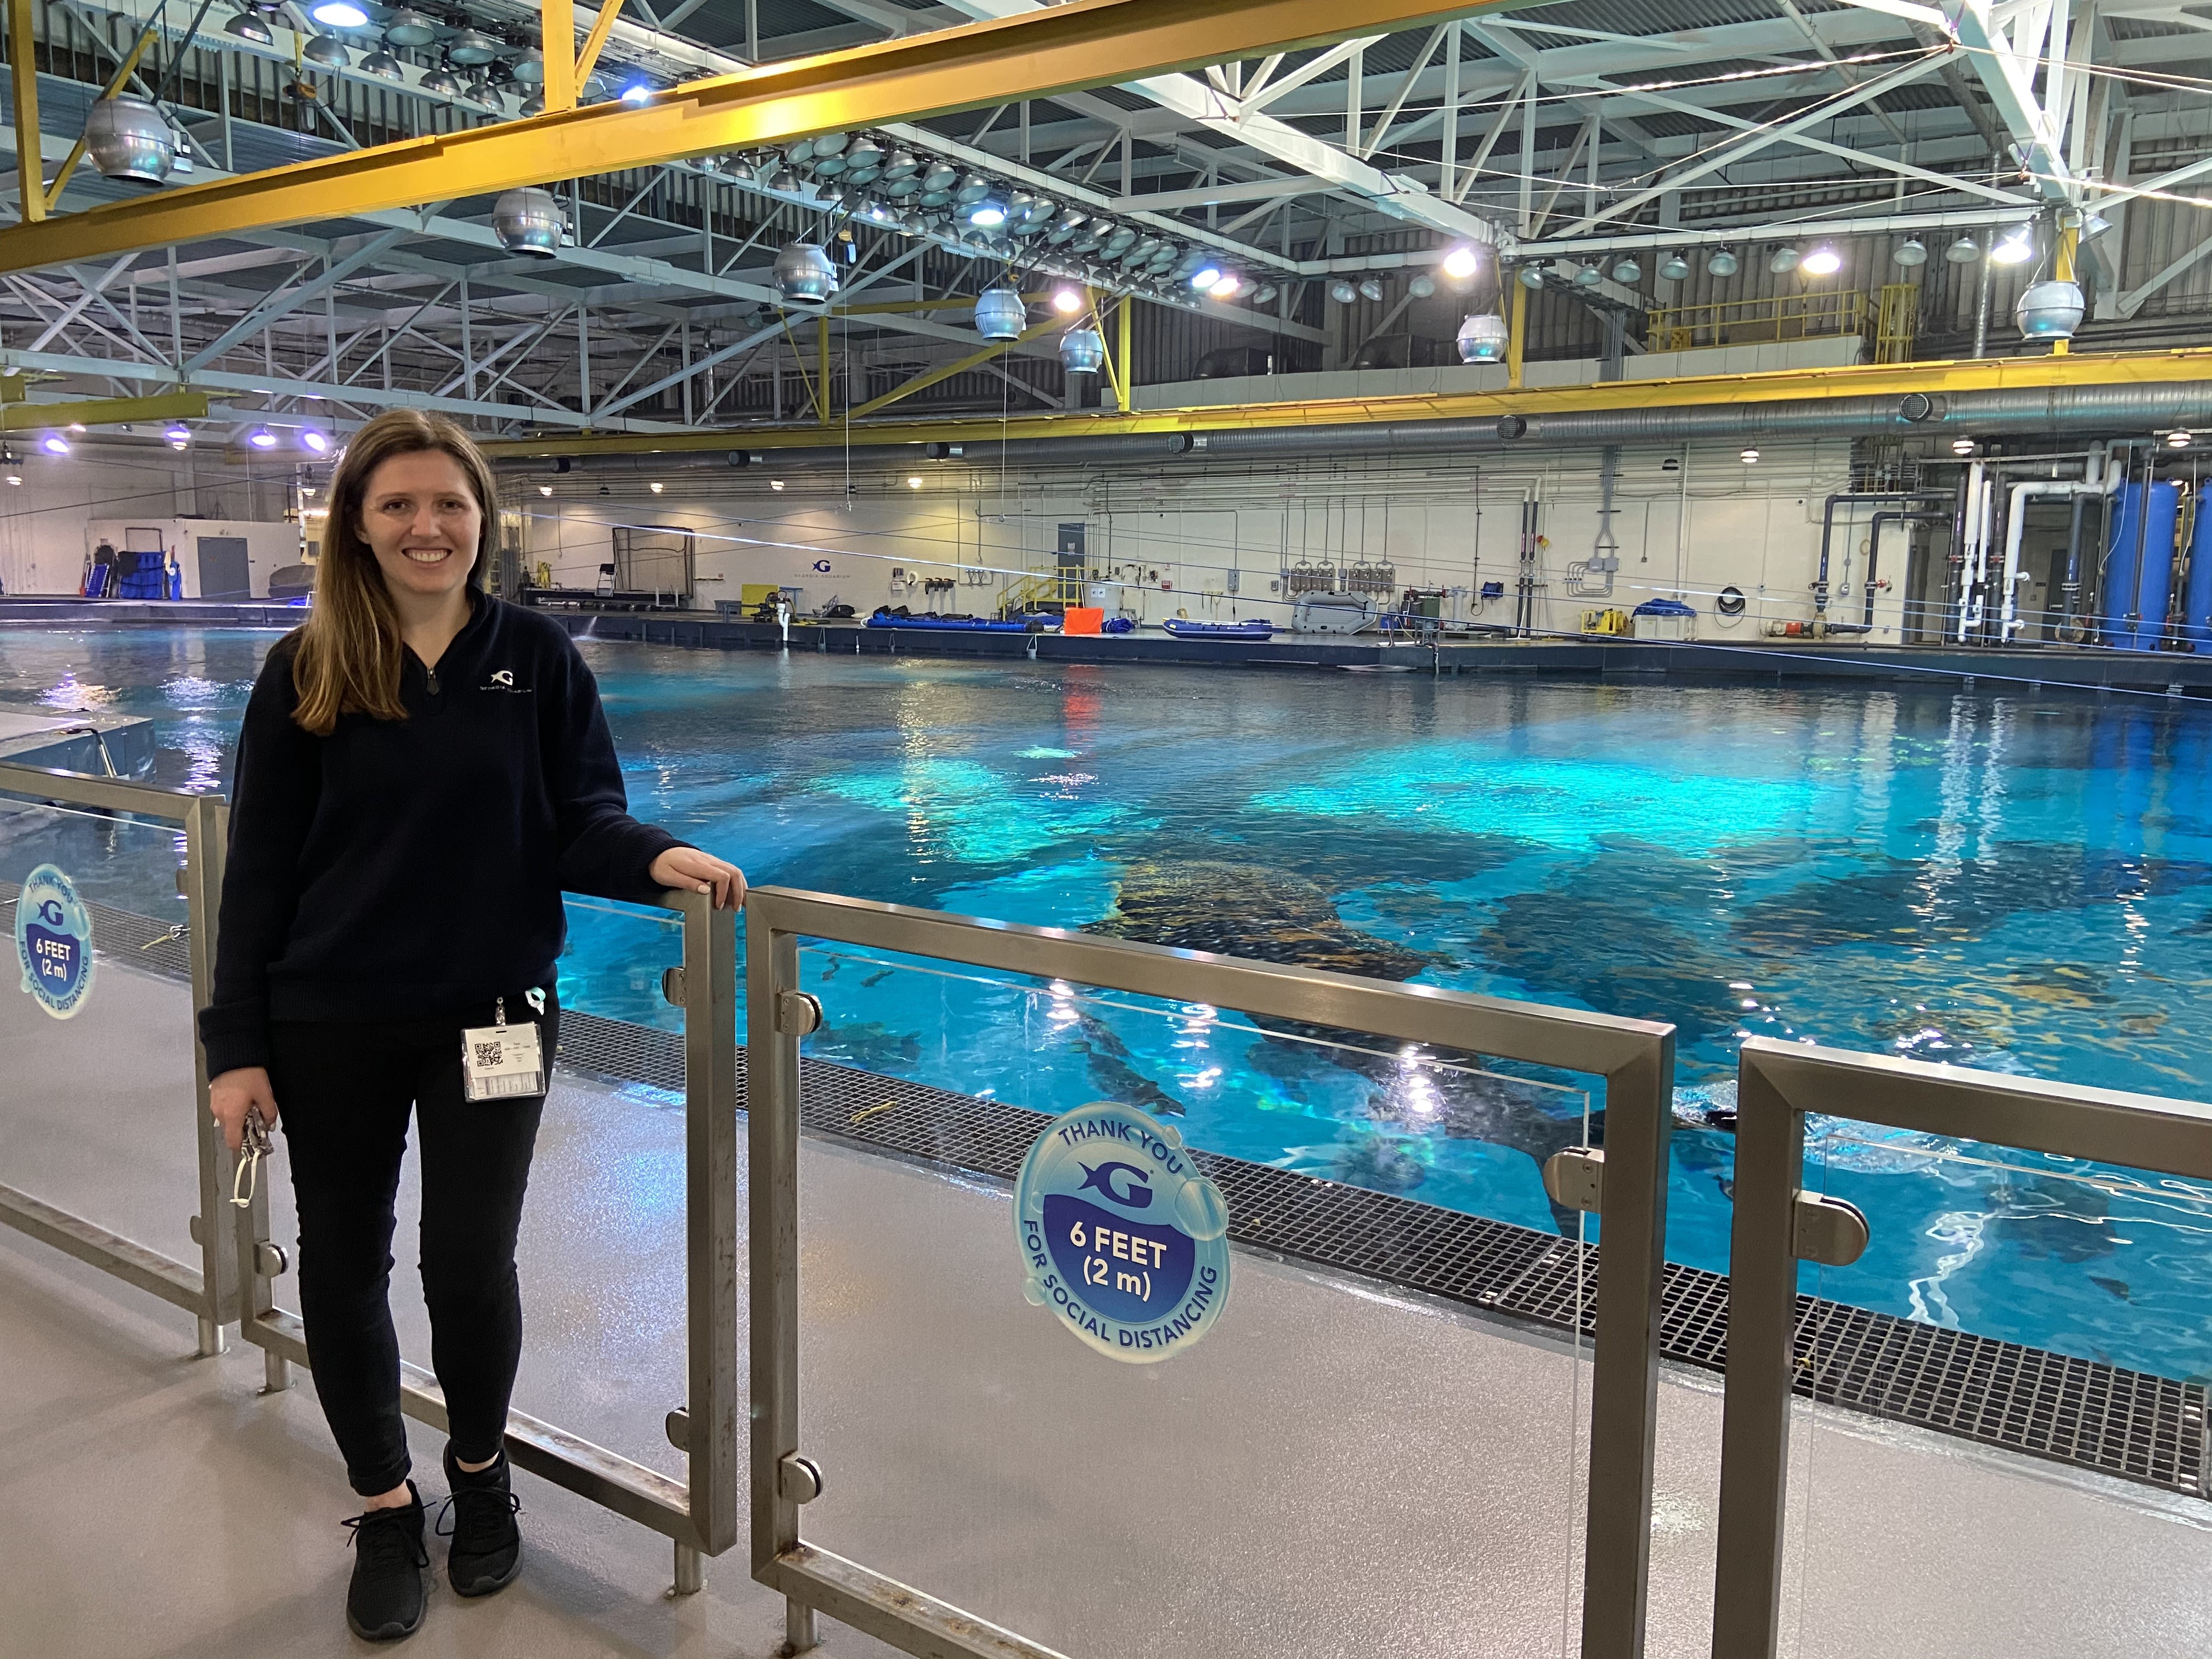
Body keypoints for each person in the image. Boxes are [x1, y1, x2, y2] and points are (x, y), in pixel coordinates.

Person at [199, 409, 743, 1643]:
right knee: (343, 1264)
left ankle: (483, 1474)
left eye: (447, 503)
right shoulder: (306, 667)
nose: (425, 526)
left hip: (494, 1015)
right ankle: (387, 1504)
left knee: (468, 1261)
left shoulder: (537, 657)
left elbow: (579, 818)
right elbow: (260, 873)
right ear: (357, 524)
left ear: (483, 519)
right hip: (330, 1017)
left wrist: (665, 856)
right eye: (396, 505)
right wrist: (234, 1046)